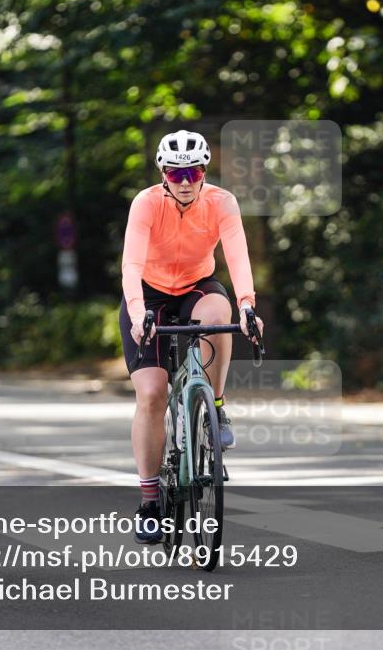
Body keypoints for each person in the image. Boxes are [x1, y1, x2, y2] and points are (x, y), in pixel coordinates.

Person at [120, 130, 263, 544]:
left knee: (220, 315)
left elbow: (237, 257)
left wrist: (248, 306)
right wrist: (137, 315)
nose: (185, 181)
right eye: (176, 173)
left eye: (194, 172)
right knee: (151, 394)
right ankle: (150, 502)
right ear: (163, 174)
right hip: (149, 295)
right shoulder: (146, 203)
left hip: (197, 287)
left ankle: (214, 405)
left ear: (204, 172)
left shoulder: (222, 202)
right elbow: (131, 265)